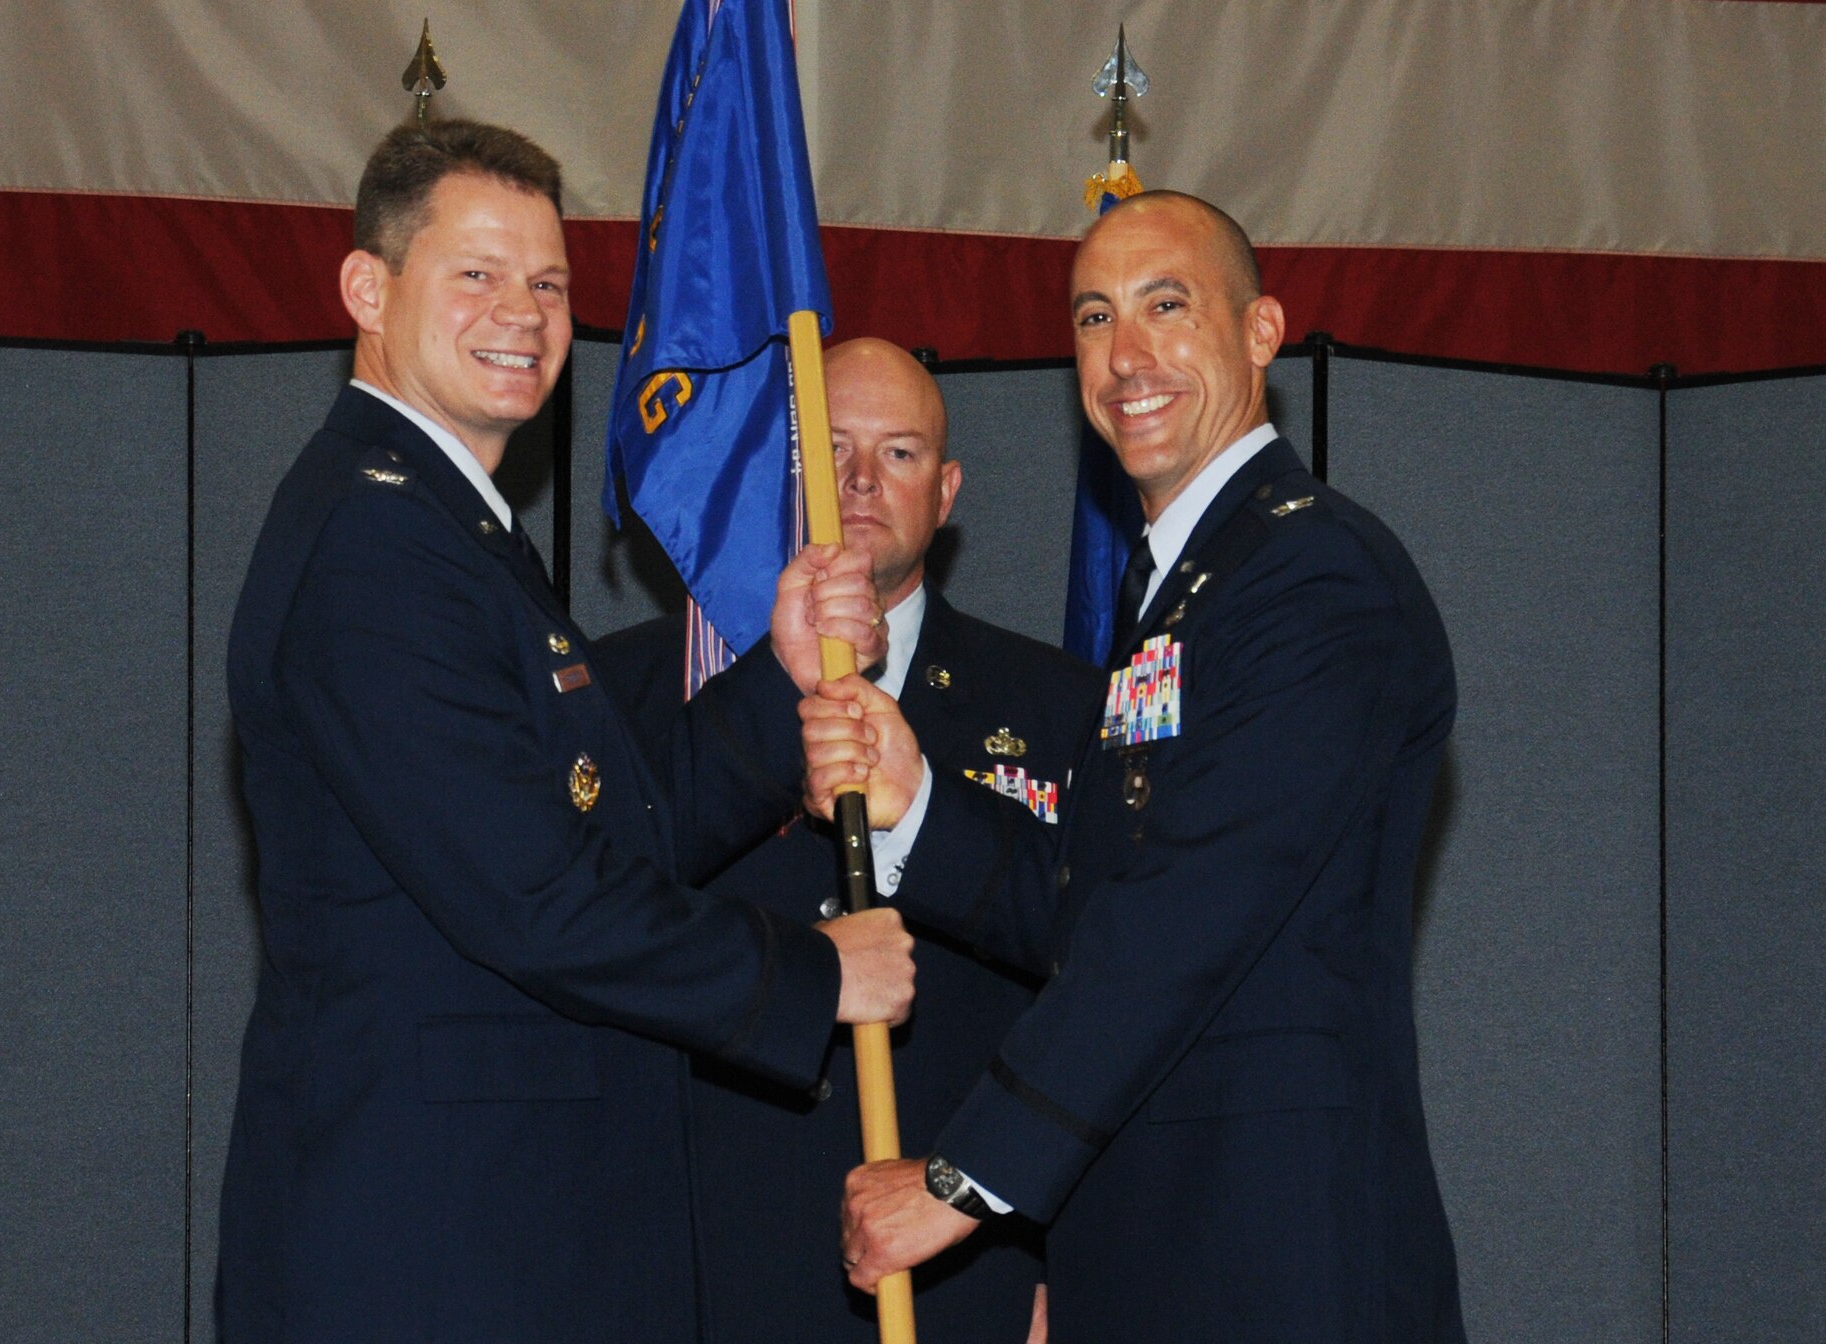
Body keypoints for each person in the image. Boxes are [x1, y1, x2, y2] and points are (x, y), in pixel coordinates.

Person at [217, 119, 916, 1344]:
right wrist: (812, 974)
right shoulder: (379, 549)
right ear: (367, 290)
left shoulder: (451, 530)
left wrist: (779, 679)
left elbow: (610, 825)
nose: (523, 314)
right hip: (436, 1249)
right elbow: (534, 897)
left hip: (508, 1228)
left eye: (547, 282)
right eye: (476, 275)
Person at [805, 192, 1467, 1341]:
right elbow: (1095, 901)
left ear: (1260, 331)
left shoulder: (1313, 575)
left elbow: (1189, 912)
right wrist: (915, 805)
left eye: (1168, 306)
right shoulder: (1180, 585)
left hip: (1273, 1263)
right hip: (1157, 1253)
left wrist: (966, 1178)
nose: (1126, 356)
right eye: (1095, 318)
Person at [599, 338, 1103, 1344]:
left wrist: (1061, 1266)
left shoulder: (1056, 706)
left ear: (946, 489)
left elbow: (1097, 1000)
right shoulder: (645, 692)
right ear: (786, 470)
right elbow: (589, 931)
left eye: (901, 454)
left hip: (958, 1273)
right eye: (832, 449)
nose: (864, 482)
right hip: (706, 1261)